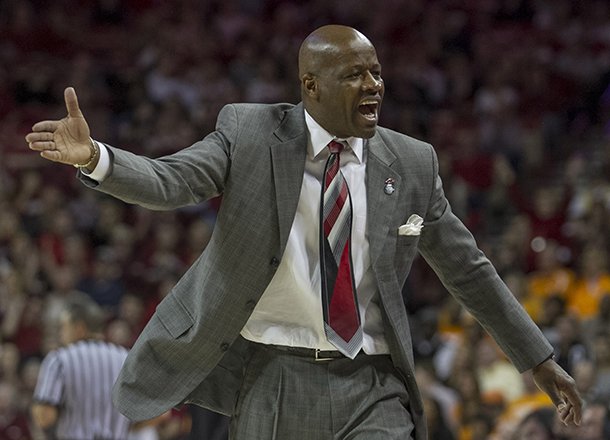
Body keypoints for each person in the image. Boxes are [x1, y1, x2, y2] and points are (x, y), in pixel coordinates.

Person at [25, 24, 582, 440]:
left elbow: (468, 269)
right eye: (354, 75)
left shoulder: (412, 162)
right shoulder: (248, 133)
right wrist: (97, 158)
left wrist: (537, 359)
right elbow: (173, 180)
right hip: (274, 377)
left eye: (377, 72)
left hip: (374, 380)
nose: (373, 86)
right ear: (310, 85)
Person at [31, 293, 130, 439]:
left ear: (79, 328)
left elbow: (45, 417)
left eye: (64, 327)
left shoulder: (60, 359)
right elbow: (156, 415)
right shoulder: (126, 357)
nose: (60, 334)